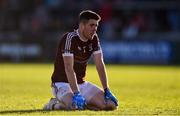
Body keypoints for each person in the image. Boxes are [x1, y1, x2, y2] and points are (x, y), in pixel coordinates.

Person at [43, 10, 118, 111]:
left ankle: (83, 104)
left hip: (81, 84)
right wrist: (76, 93)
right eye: (92, 25)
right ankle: (52, 104)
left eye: (96, 25)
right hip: (62, 83)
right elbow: (69, 68)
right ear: (82, 25)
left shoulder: (94, 39)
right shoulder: (69, 38)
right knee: (74, 106)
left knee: (111, 105)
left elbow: (100, 64)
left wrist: (106, 90)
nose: (95, 29)